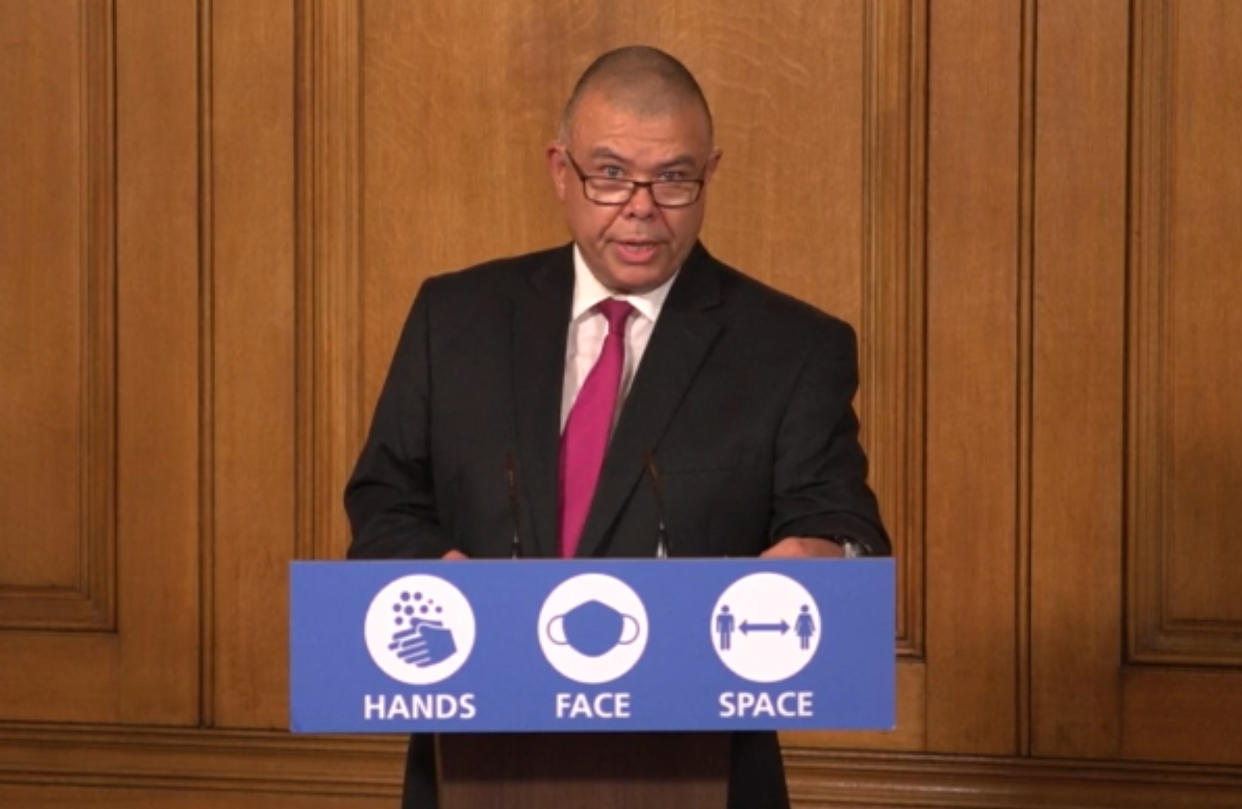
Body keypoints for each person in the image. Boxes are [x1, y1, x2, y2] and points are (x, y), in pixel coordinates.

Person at [345, 44, 889, 809]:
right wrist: (445, 572)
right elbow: (383, 501)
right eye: (609, 174)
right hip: (477, 754)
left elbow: (845, 525)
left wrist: (826, 553)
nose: (641, 206)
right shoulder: (454, 318)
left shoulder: (793, 348)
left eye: (673, 178)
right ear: (560, 170)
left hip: (700, 765)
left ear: (711, 175)